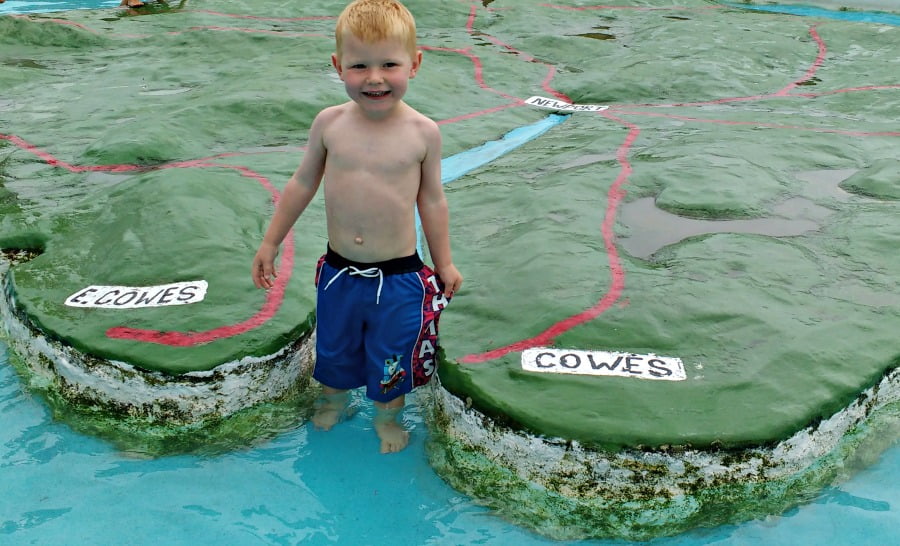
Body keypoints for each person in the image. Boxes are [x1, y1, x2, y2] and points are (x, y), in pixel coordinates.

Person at [251, 0, 462, 454]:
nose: (375, 78)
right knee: (334, 347)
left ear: (415, 64)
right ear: (337, 66)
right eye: (359, 65)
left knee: (391, 354)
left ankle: (388, 417)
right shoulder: (330, 124)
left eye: (389, 64)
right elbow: (302, 182)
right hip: (339, 272)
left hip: (400, 277)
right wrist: (271, 241)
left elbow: (432, 199)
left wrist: (443, 262)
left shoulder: (423, 133)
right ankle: (334, 400)